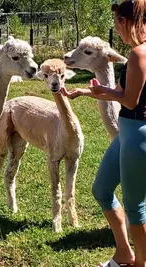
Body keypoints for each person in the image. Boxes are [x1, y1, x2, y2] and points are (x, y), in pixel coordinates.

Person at [61, 1, 146, 266]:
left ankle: (141, 263)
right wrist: (87, 92)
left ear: (125, 22)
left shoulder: (140, 55)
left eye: (117, 25)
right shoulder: (137, 53)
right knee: (101, 189)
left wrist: (103, 93)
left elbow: (130, 101)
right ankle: (124, 253)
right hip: (127, 133)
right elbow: (123, 90)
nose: (117, 32)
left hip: (136, 134)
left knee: (136, 208)